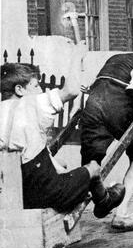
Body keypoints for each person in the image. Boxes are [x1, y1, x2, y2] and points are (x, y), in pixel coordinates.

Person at [0, 52, 125, 215]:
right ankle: (104, 201)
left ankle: (78, 188)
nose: (41, 90)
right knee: (93, 167)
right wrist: (76, 54)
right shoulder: (30, 104)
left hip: (15, 192)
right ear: (19, 89)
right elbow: (71, 90)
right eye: (35, 86)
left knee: (61, 163)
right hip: (43, 195)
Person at [79, 39, 133, 232]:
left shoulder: (116, 58)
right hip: (117, 104)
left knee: (92, 161)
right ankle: (121, 214)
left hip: (93, 103)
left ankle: (103, 199)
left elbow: (93, 83)